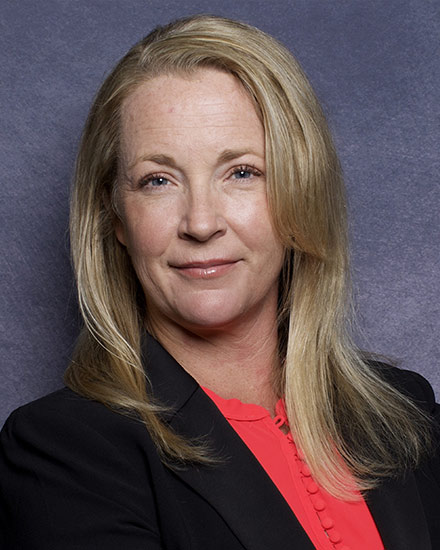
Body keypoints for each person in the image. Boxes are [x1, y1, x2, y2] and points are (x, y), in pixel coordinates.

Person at [0, 14, 439, 550]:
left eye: (242, 173)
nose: (201, 223)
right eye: (158, 181)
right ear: (115, 216)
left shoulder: (407, 414)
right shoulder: (63, 452)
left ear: (301, 192)